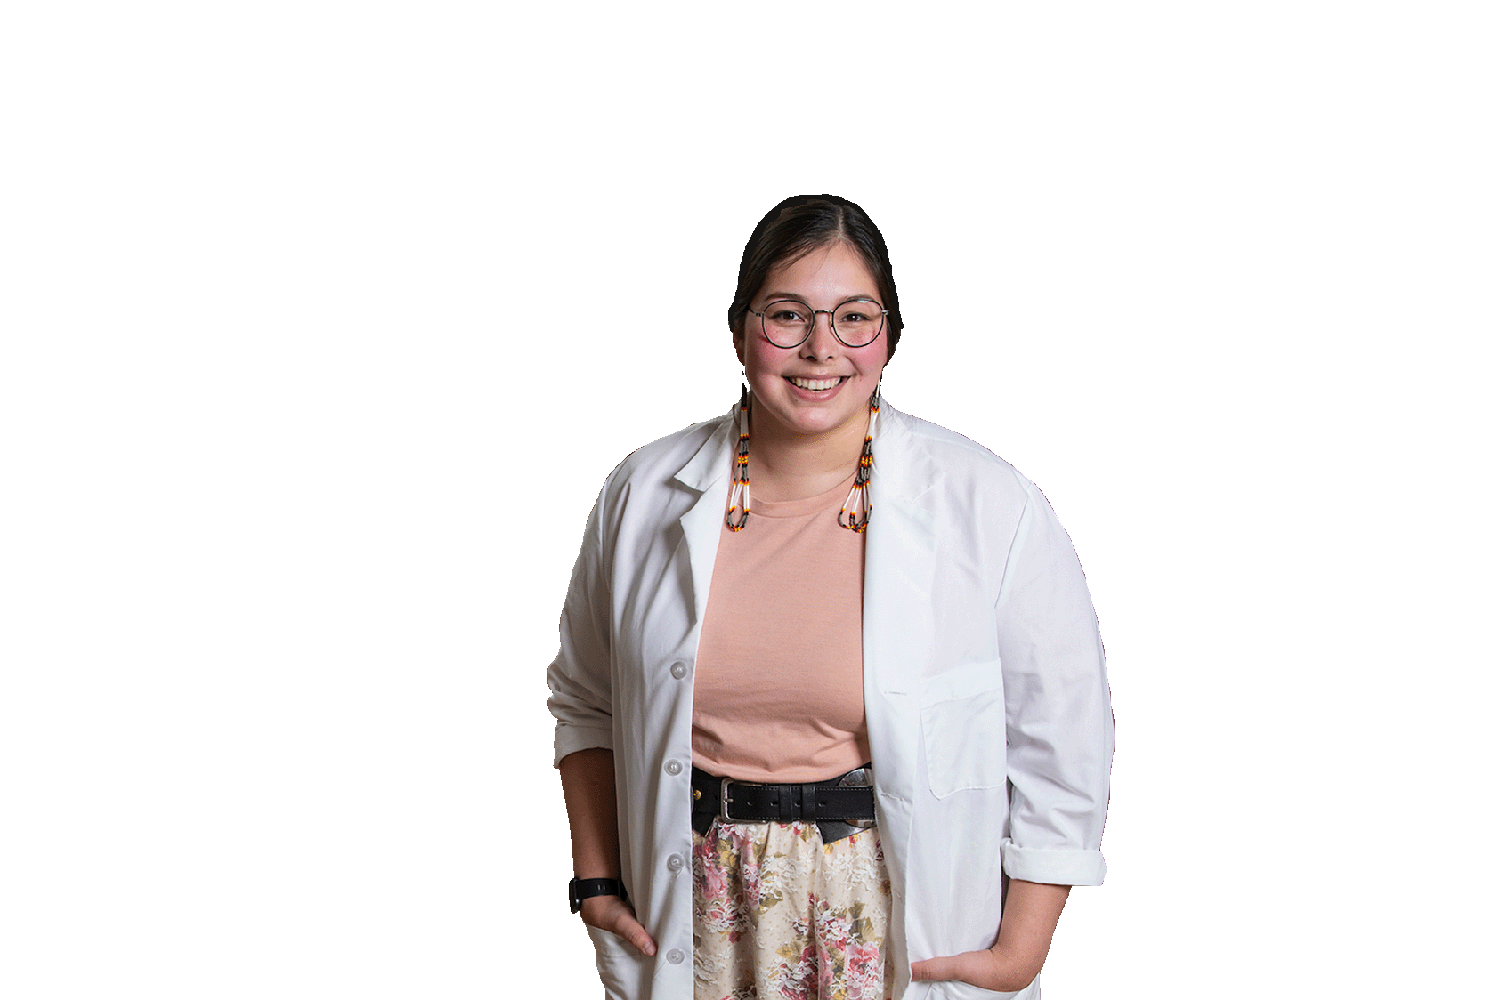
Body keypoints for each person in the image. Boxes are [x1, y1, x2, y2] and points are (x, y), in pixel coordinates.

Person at [548, 194, 1113, 1000]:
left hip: (889, 926)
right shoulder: (643, 493)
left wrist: (1024, 945)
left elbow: (1062, 738)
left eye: (854, 317)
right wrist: (595, 881)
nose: (821, 349)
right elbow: (587, 700)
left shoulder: (988, 504)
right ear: (742, 327)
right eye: (788, 314)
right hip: (695, 912)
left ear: (890, 336)